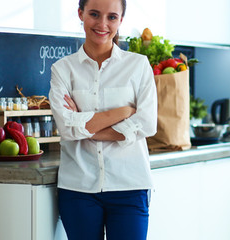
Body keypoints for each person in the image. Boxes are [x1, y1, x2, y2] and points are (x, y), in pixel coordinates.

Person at [48, 0, 157, 239]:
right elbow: (66, 128)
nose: (102, 24)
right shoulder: (62, 70)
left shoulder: (138, 66)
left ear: (121, 20)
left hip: (130, 186)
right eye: (94, 14)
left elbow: (147, 123)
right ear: (81, 14)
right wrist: (123, 112)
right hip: (78, 189)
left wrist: (84, 125)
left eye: (112, 17)